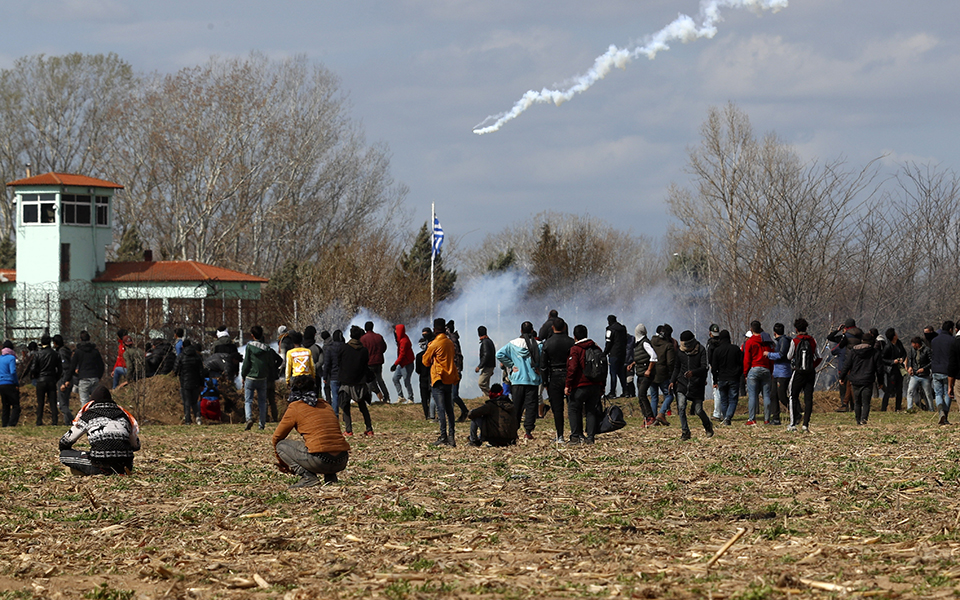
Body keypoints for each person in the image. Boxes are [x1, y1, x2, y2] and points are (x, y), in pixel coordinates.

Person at [273, 375, 350, 488]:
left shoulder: (295, 407)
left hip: (319, 461)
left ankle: (308, 478)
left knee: (281, 445)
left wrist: (282, 463)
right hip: (342, 459)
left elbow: (277, 437)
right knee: (325, 440)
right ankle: (330, 477)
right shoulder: (326, 404)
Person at [59, 385, 140, 476]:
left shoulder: (89, 415)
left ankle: (99, 471)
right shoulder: (124, 416)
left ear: (92, 401)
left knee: (64, 454)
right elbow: (136, 446)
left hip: (100, 465)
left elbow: (65, 441)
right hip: (125, 467)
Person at [496, 321, 542, 440]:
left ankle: (514, 431)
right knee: (531, 406)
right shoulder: (538, 344)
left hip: (517, 380)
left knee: (516, 406)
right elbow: (542, 359)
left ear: (520, 330)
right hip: (532, 380)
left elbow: (499, 354)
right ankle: (528, 432)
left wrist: (511, 365)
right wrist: (538, 367)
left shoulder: (512, 344)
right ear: (532, 331)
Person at [671, 330, 714, 441]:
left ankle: (708, 425)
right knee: (681, 407)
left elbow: (704, 367)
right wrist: (672, 380)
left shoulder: (701, 350)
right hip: (682, 384)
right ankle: (685, 431)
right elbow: (677, 367)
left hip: (697, 385)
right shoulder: (680, 352)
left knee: (698, 410)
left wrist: (693, 373)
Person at [423, 318, 460, 446]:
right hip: (449, 378)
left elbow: (425, 361)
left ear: (434, 330)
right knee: (450, 409)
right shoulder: (450, 342)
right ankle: (452, 436)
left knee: (440, 409)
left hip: (438, 378)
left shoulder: (434, 344)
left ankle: (443, 436)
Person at [564, 324, 603, 444]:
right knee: (591, 411)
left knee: (574, 409)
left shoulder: (576, 349)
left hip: (580, 385)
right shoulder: (596, 348)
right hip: (595, 384)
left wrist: (568, 384)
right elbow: (603, 367)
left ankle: (576, 436)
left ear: (575, 336)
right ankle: (590, 437)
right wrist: (602, 385)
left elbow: (572, 368)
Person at [240, 325, 282, 431]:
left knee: (248, 400)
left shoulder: (249, 347)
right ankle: (262, 424)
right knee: (262, 401)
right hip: (262, 378)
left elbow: (246, 363)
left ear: (252, 335)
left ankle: (249, 418)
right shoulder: (267, 348)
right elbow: (270, 363)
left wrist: (243, 375)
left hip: (250, 377)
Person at [838, 329, 884, 425]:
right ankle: (864, 419)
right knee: (866, 402)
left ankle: (858, 420)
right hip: (867, 380)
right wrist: (880, 382)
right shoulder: (875, 353)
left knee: (857, 402)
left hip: (855, 380)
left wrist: (842, 377)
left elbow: (847, 365)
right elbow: (879, 369)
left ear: (862, 341)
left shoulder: (853, 352)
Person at [540, 318, 575, 443]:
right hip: (569, 376)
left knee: (557, 408)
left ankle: (560, 435)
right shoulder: (571, 342)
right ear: (565, 327)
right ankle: (575, 433)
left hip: (554, 376)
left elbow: (543, 365)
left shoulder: (547, 343)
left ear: (552, 328)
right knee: (573, 406)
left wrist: (545, 382)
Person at [785, 318, 821, 432]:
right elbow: (819, 356)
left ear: (796, 329)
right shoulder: (812, 340)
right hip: (810, 373)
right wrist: (812, 366)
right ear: (806, 328)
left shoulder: (795, 341)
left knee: (793, 396)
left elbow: (789, 356)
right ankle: (805, 424)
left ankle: (792, 424)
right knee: (808, 398)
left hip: (798, 372)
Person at [338, 325, 375, 436]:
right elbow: (365, 365)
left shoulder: (343, 348)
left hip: (346, 381)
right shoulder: (364, 350)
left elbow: (339, 362)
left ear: (350, 335)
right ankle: (369, 429)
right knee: (363, 407)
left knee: (345, 407)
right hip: (360, 381)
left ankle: (348, 430)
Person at [742, 321, 774, 426]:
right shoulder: (767, 341)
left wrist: (745, 373)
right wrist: (771, 371)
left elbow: (747, 359)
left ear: (751, 329)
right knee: (766, 395)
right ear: (760, 329)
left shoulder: (749, 342)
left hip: (754, 369)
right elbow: (771, 357)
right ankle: (767, 419)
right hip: (766, 369)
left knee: (752, 396)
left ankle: (752, 419)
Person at [710, 330, 742, 426]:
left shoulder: (717, 350)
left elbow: (714, 367)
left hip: (722, 378)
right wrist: (739, 374)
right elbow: (741, 364)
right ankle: (728, 418)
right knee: (733, 400)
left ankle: (725, 418)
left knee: (723, 400)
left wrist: (715, 380)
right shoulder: (736, 349)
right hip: (734, 378)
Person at [627, 323, 657, 427]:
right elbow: (642, 357)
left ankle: (650, 417)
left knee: (642, 394)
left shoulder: (644, 343)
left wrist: (649, 370)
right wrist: (633, 364)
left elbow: (653, 356)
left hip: (646, 374)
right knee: (640, 397)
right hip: (640, 373)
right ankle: (646, 418)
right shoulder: (639, 344)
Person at [65, 331, 105, 405]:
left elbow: (72, 366)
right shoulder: (95, 351)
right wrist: (99, 376)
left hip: (84, 378)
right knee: (96, 401)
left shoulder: (78, 352)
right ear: (89, 338)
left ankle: (86, 412)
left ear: (80, 339)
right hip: (94, 377)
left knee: (84, 402)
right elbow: (101, 365)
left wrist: (68, 379)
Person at [173, 340, 208, 425]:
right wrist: (202, 384)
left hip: (185, 382)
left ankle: (188, 420)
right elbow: (201, 372)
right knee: (194, 401)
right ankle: (198, 417)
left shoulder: (181, 356)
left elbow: (175, 369)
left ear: (183, 346)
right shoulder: (197, 356)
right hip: (196, 382)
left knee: (186, 402)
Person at [827, 319, 858, 412]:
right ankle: (853, 406)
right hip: (854, 367)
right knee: (851, 387)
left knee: (844, 388)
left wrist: (838, 330)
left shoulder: (842, 343)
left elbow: (833, 348)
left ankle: (844, 405)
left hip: (843, 368)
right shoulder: (856, 339)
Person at [32, 334, 63, 426]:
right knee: (53, 402)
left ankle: (39, 421)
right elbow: (60, 369)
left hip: (41, 379)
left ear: (41, 342)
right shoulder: (55, 354)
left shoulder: (38, 354)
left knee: (40, 402)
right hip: (51, 379)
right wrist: (56, 378)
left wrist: (37, 376)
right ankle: (54, 421)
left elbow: (33, 368)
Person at [766, 323, 792, 426]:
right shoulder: (780, 341)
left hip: (783, 372)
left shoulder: (783, 341)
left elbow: (781, 355)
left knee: (782, 396)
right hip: (776, 372)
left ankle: (796, 411)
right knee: (773, 395)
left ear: (774, 333)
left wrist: (769, 354)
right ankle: (776, 418)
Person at [651, 325, 677, 425]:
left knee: (654, 397)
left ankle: (652, 418)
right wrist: (671, 373)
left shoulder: (651, 342)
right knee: (669, 395)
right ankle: (661, 413)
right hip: (663, 373)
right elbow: (670, 362)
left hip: (652, 372)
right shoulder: (668, 345)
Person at [931, 321, 955, 424]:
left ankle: (940, 411)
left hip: (936, 370)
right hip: (947, 371)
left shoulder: (934, 340)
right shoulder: (952, 340)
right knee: (948, 393)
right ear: (950, 329)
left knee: (938, 393)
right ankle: (945, 416)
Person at [360, 321, 390, 403]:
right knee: (380, 380)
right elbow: (384, 347)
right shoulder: (379, 337)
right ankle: (387, 397)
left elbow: (362, 351)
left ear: (365, 328)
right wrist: (379, 354)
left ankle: (368, 400)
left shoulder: (363, 339)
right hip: (379, 361)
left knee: (369, 382)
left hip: (369, 362)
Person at [446, 320, 469, 420]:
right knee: (451, 395)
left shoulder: (452, 341)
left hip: (455, 371)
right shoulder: (453, 340)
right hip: (453, 371)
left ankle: (465, 411)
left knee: (454, 396)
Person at [881, 328, 906, 412]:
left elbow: (904, 353)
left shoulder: (899, 343)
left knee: (899, 389)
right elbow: (882, 359)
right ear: (893, 336)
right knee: (889, 390)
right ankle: (883, 408)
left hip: (899, 369)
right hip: (891, 371)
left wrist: (902, 359)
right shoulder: (888, 346)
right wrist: (892, 361)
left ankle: (898, 408)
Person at [907, 335, 934, 413]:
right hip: (915, 375)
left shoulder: (927, 350)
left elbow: (931, 362)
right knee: (910, 391)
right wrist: (910, 367)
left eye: (913, 344)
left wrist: (924, 369)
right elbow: (911, 359)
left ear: (917, 344)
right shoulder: (912, 350)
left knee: (928, 393)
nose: (912, 345)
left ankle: (931, 409)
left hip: (925, 376)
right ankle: (909, 408)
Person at [603, 315, 628, 398]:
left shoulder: (610, 329)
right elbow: (626, 341)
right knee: (621, 373)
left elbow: (608, 342)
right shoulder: (623, 329)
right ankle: (626, 391)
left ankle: (612, 392)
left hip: (613, 354)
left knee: (613, 373)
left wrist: (604, 353)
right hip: (622, 353)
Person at [390, 324, 415, 403]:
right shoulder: (401, 339)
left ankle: (410, 398)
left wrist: (395, 364)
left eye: (395, 330)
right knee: (395, 378)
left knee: (406, 381)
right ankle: (401, 396)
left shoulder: (404, 341)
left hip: (407, 364)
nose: (394, 332)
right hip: (402, 364)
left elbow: (402, 355)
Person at [322, 330, 345, 417]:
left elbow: (327, 364)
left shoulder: (329, 348)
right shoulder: (345, 347)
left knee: (335, 396)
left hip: (333, 376)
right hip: (344, 376)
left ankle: (335, 415)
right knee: (344, 396)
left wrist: (325, 377)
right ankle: (346, 415)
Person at [53, 335, 74, 424]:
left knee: (62, 404)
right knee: (65, 402)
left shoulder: (61, 352)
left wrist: (64, 381)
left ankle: (73, 420)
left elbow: (65, 368)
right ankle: (67, 421)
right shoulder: (66, 351)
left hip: (64, 379)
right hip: (69, 378)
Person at [415, 327, 435, 420]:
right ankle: (432, 414)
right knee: (432, 397)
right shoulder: (433, 354)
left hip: (424, 378)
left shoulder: (419, 356)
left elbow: (417, 370)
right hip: (431, 377)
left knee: (424, 398)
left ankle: (427, 415)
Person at [705, 324, 722, 419]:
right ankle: (723, 412)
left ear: (710, 333)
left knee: (716, 392)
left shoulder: (710, 344)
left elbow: (708, 359)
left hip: (714, 369)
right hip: (724, 369)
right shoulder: (722, 342)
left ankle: (717, 413)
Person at [0, 341, 19, 427]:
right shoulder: (11, 358)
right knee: (16, 405)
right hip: (10, 383)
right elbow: (13, 371)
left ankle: (4, 423)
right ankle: (12, 423)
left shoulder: (0, 358)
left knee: (5, 405)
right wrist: (16, 383)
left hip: (1, 384)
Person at [476, 326, 496, 396]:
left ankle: (493, 395)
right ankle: (486, 397)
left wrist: (479, 366)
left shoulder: (485, 342)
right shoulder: (489, 341)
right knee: (486, 383)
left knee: (481, 383)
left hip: (487, 366)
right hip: (490, 365)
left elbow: (486, 355)